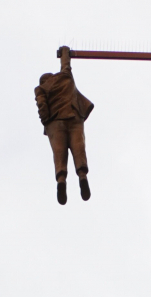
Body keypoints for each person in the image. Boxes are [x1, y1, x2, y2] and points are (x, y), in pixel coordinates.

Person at [36, 46, 94, 205]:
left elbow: (42, 109)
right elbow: (66, 64)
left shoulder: (41, 89)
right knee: (79, 148)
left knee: (59, 154)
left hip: (56, 123)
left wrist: (46, 120)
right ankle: (82, 175)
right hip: (74, 117)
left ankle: (61, 180)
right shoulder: (65, 77)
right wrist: (64, 52)